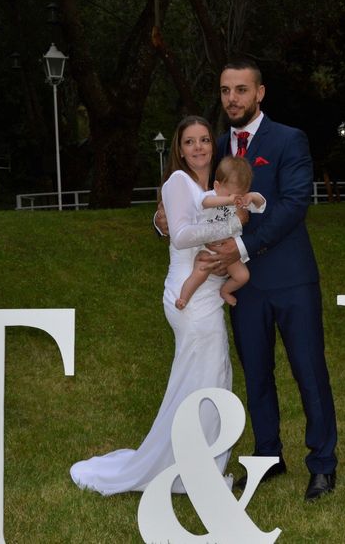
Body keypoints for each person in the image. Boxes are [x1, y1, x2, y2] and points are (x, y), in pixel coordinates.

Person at [156, 59, 338, 502]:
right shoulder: (212, 146)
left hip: (291, 278)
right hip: (241, 289)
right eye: (224, 91)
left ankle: (323, 465)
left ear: (259, 94)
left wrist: (239, 249)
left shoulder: (289, 139)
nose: (232, 98)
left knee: (308, 372)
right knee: (256, 374)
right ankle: (269, 455)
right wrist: (161, 223)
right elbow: (190, 200)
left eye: (241, 90)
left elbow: (294, 205)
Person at [70, 116, 243, 496]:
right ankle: (192, 469)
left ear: (213, 147)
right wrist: (228, 229)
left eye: (204, 141)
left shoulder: (209, 188)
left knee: (206, 379)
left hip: (206, 297)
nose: (198, 148)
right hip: (189, 298)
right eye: (189, 142)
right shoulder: (178, 182)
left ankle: (197, 466)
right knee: (204, 381)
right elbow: (181, 237)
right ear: (179, 150)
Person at [177, 156, 266, 310]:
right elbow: (202, 203)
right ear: (217, 186)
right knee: (200, 271)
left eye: (240, 194)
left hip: (229, 250)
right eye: (230, 194)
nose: (235, 199)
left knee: (243, 276)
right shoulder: (210, 196)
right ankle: (183, 298)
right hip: (207, 247)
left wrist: (251, 197)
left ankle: (224, 291)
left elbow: (262, 204)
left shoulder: (241, 200)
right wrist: (227, 200)